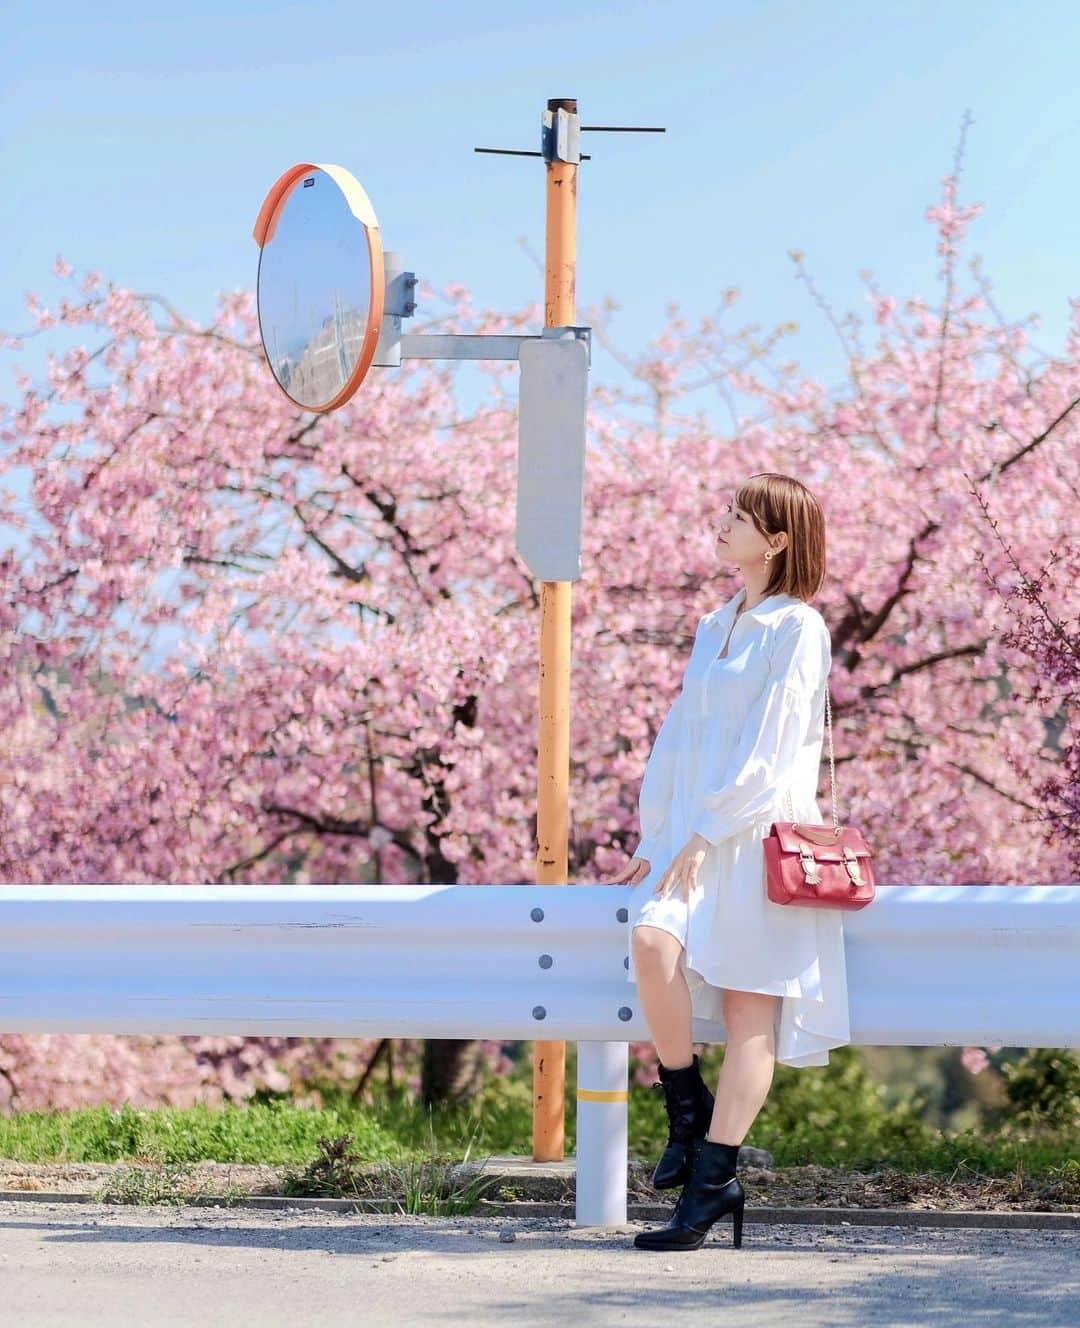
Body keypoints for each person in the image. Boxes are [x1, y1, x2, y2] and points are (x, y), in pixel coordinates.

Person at [607, 472, 851, 1252]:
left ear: (776, 540)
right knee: (651, 945)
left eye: (738, 517)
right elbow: (678, 740)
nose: (721, 524)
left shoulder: (797, 629)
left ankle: (711, 1183)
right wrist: (657, 839)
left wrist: (708, 832)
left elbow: (776, 751)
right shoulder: (715, 623)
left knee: (752, 1014)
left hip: (754, 840)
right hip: (692, 839)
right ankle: (685, 1113)